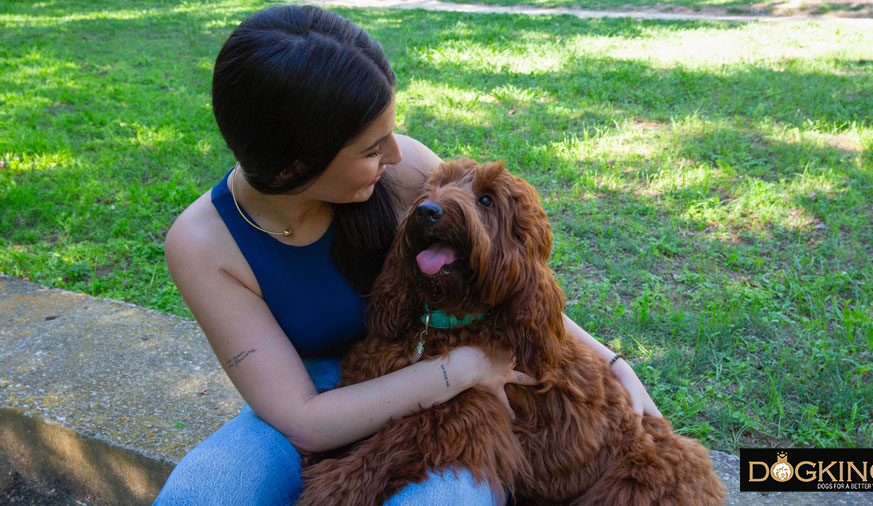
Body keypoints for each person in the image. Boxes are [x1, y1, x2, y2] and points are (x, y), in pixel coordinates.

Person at [156, 5, 661, 505]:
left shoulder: (404, 171)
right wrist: (461, 370)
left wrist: (613, 362)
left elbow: (510, 276)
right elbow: (302, 418)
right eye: (372, 149)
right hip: (316, 394)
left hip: (452, 399)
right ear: (294, 167)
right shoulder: (204, 243)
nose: (396, 155)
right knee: (200, 495)